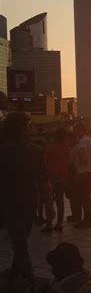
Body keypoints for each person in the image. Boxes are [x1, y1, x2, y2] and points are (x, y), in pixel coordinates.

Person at [0, 111, 54, 280]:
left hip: (7, 204)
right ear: (22, 128)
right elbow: (44, 181)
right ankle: (27, 280)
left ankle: (17, 277)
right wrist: (50, 206)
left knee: (19, 243)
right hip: (30, 203)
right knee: (21, 243)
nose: (31, 128)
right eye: (28, 125)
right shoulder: (35, 151)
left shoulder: (2, 152)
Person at [42, 127, 70, 233]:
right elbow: (68, 161)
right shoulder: (67, 148)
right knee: (60, 201)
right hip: (62, 176)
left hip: (51, 176)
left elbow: (46, 161)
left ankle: (49, 223)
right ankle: (59, 223)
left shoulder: (50, 148)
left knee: (49, 201)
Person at [71, 121, 91, 228]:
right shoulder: (90, 140)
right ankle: (87, 218)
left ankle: (87, 220)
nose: (74, 132)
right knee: (86, 196)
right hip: (89, 171)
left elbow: (83, 153)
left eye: (75, 130)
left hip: (82, 172)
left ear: (79, 130)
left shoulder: (82, 141)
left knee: (83, 197)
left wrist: (81, 162)